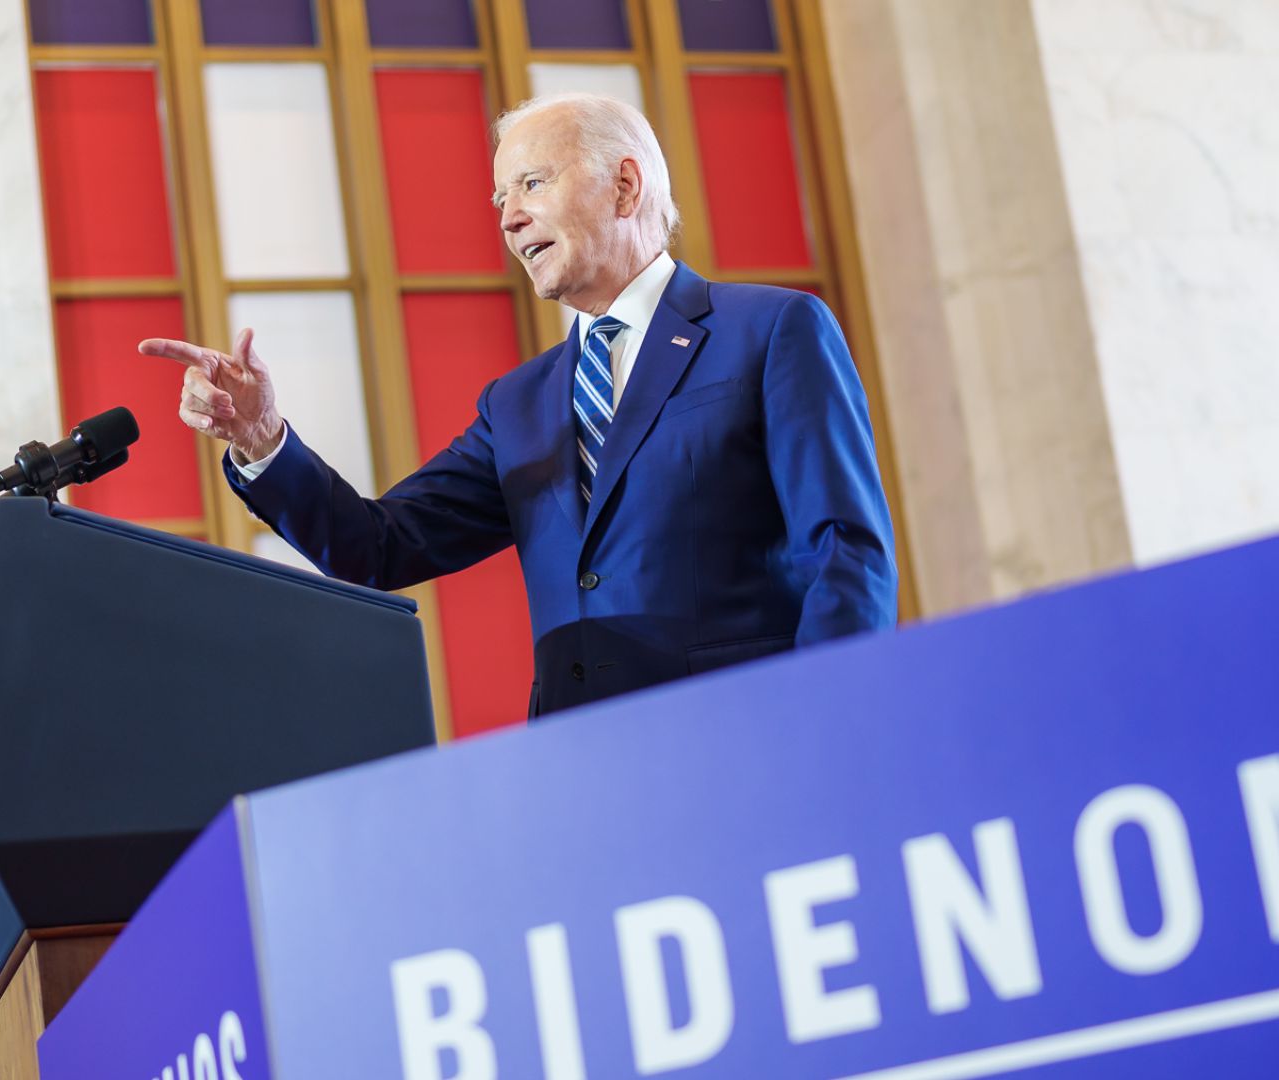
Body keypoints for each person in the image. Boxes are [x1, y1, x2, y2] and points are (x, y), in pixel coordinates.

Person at [140, 93, 896, 716]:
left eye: (532, 184)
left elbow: (846, 549)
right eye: (500, 198)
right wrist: (263, 438)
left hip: (748, 739)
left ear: (625, 187)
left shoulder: (769, 331)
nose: (507, 218)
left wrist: (823, 721)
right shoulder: (520, 402)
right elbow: (379, 545)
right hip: (581, 772)